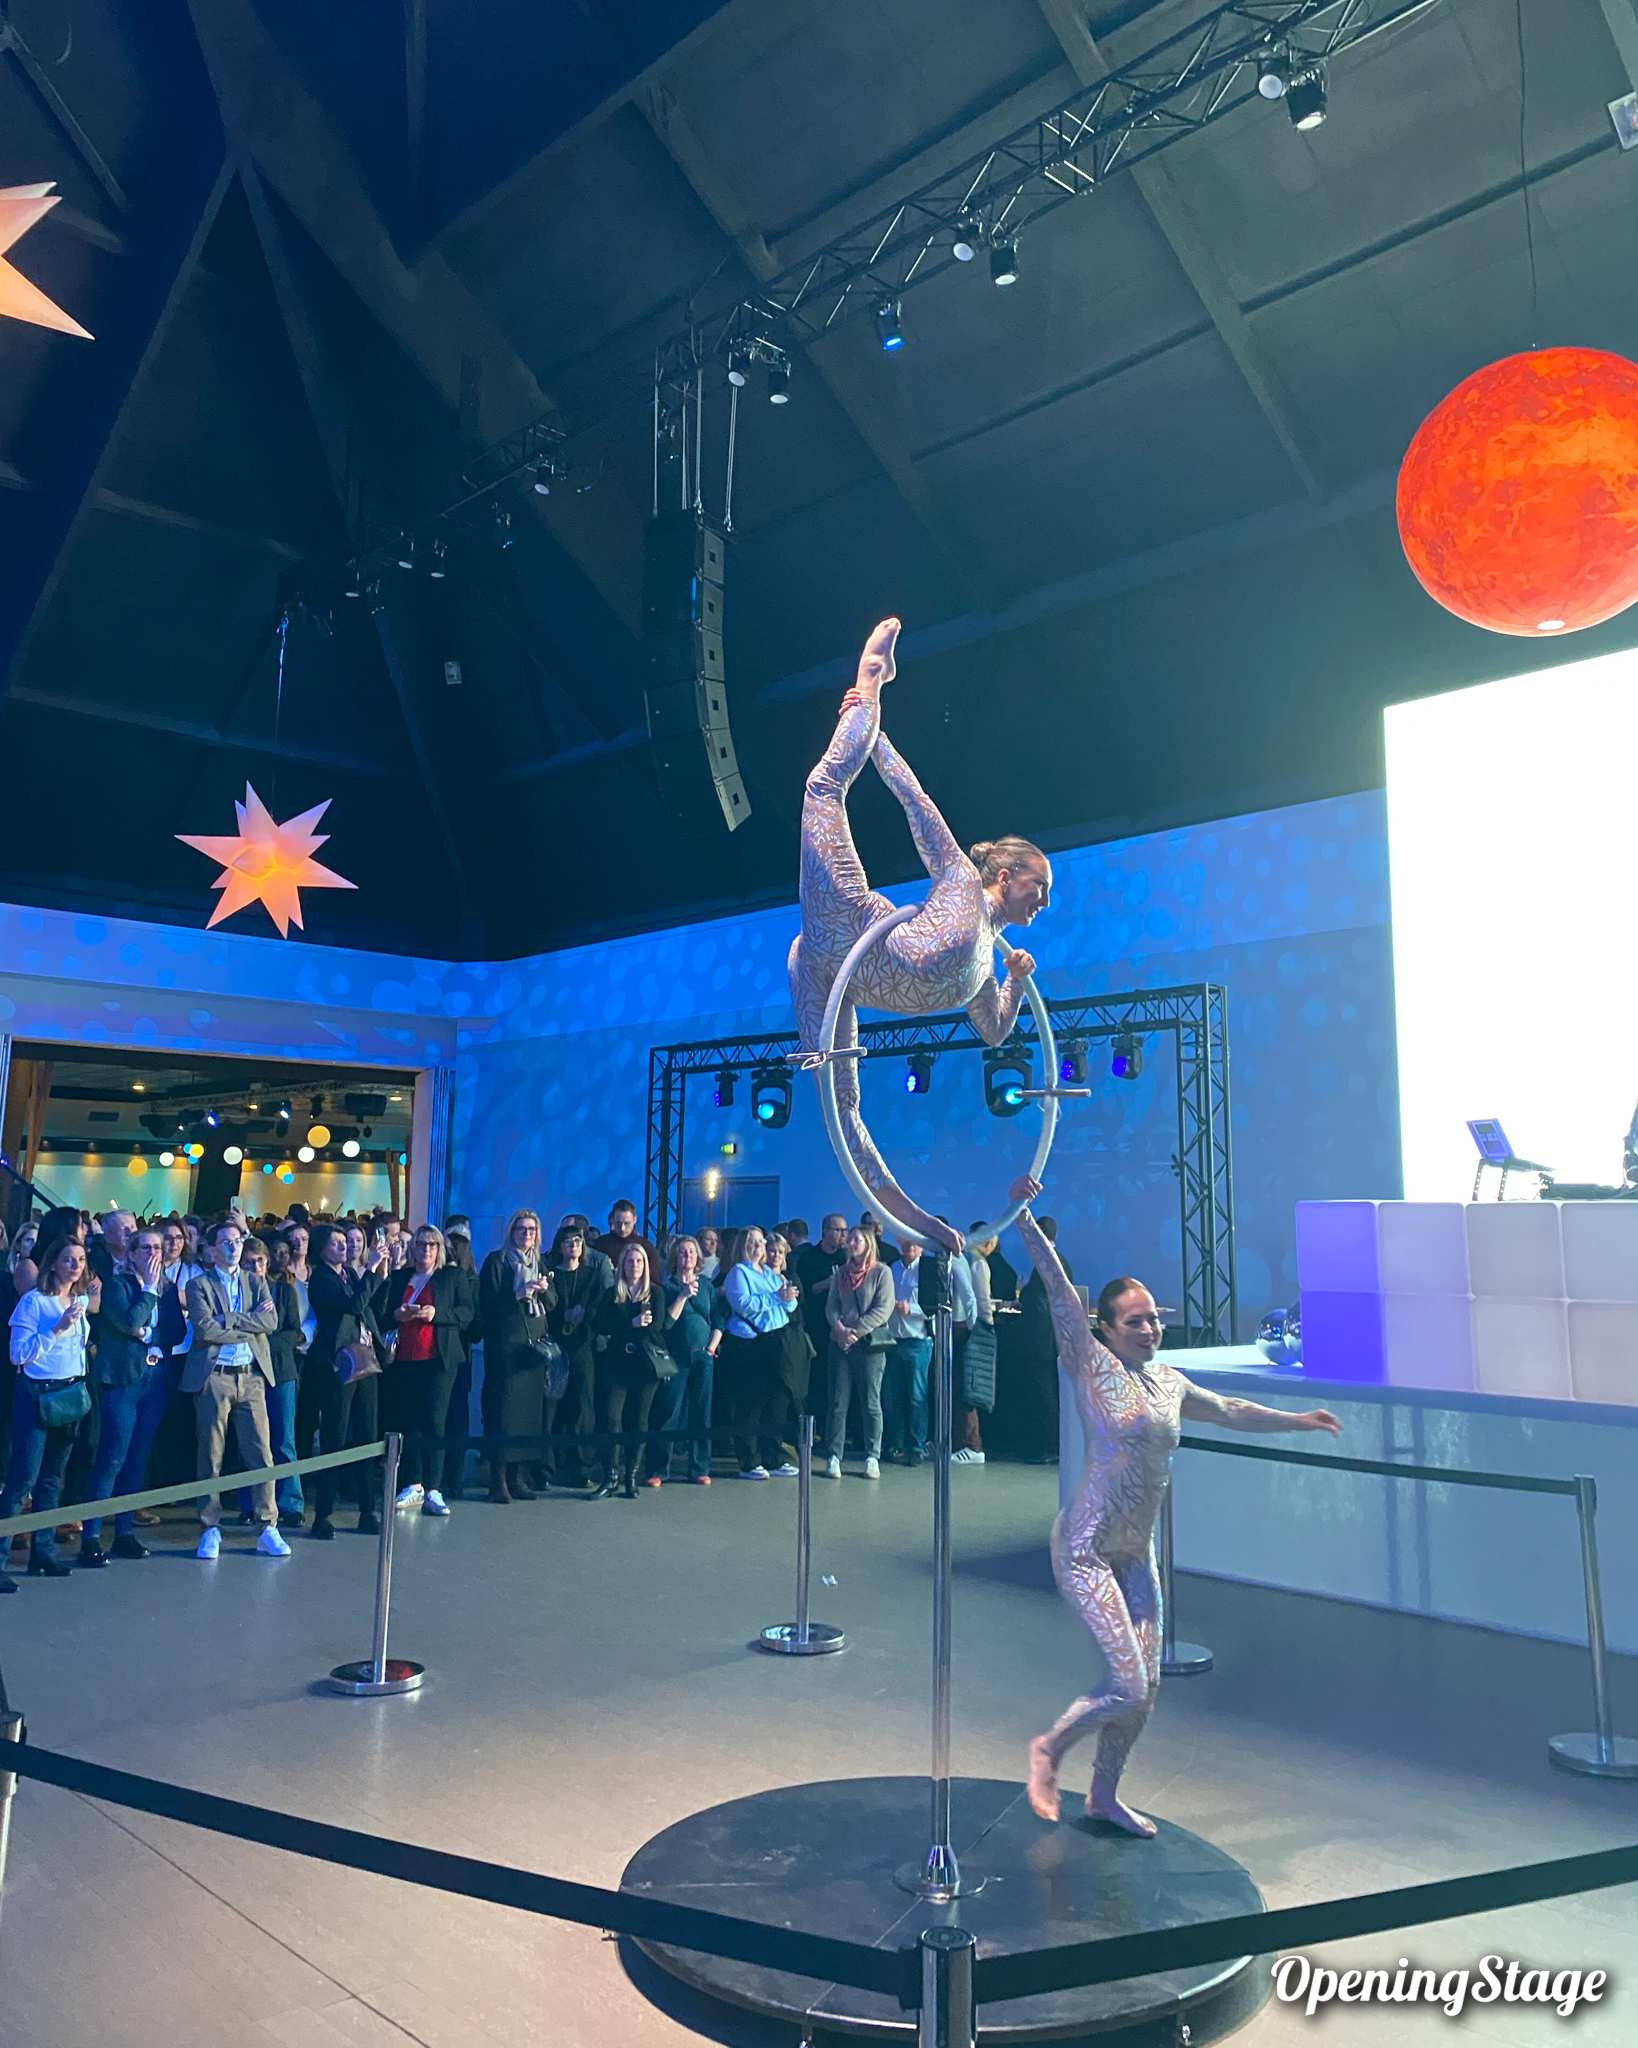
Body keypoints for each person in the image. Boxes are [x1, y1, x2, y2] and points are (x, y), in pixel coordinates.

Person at [1007, 1175, 1340, 1835]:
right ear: (1105, 1327)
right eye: (1135, 1321)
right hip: (1087, 1549)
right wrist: (1023, 1219)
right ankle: (1050, 1749)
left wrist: (1297, 1419)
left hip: (1137, 1554)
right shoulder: (1090, 1364)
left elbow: (1231, 1409)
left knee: (1146, 1690)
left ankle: (1103, 1796)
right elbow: (1055, 1291)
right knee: (1125, 1686)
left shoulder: (1167, 1380)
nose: (1150, 1329)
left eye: (1155, 1318)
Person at [789, 616, 1052, 1252]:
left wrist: (1015, 984)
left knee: (844, 1112)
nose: (1044, 902)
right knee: (822, 786)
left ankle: (917, 1221)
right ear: (1007, 873)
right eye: (1038, 886)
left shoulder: (987, 964)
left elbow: (993, 1031)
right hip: (849, 924)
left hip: (837, 984)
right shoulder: (961, 875)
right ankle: (869, 681)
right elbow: (913, 797)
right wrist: (872, 721)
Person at [183, 1220, 289, 1561]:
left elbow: (270, 1324)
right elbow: (205, 1329)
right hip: (215, 1375)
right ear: (212, 1249)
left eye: (238, 1240)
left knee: (261, 1452)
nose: (233, 1246)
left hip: (252, 1376)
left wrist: (228, 1319)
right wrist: (245, 1320)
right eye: (225, 1242)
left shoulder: (257, 1282)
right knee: (210, 1454)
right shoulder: (198, 1284)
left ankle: (266, 1525)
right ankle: (210, 1525)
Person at [1, 1232, 96, 1583]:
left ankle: (43, 1553)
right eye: (69, 1259)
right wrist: (57, 1329)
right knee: (21, 1480)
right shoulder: (34, 1302)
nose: (76, 1266)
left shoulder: (80, 1299)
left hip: (69, 1396)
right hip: (37, 1396)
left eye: (81, 1260)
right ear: (53, 1263)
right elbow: (18, 1354)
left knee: (52, 1481)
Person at [78, 1222, 167, 1565]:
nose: (153, 1254)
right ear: (131, 1254)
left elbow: (173, 1329)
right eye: (145, 1248)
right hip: (122, 1382)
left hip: (154, 1381)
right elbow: (131, 1320)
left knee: (137, 1459)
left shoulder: (168, 1287)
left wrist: (148, 1332)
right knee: (111, 1458)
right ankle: (90, 1536)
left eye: (157, 1248)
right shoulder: (118, 1285)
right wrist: (148, 1292)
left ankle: (124, 1533)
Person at [299, 1223, 385, 1539]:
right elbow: (353, 1306)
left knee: (368, 1432)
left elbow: (374, 1306)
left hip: (366, 1357)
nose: (343, 1247)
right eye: (335, 1243)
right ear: (321, 1249)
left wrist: (381, 1274)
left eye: (344, 1242)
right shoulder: (321, 1278)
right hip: (339, 1361)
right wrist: (372, 1269)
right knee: (335, 1435)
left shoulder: (349, 1275)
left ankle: (367, 1509)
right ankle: (323, 1513)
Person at [380, 1225, 471, 1516]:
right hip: (403, 1359)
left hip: (437, 1360)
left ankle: (434, 1488)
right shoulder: (399, 1278)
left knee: (434, 1421)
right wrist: (396, 1315)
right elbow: (382, 1313)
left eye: (432, 1245)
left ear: (440, 1249)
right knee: (408, 1422)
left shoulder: (452, 1276)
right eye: (421, 1245)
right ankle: (413, 1484)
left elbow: (467, 1312)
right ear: (413, 1248)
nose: (427, 1250)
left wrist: (437, 1314)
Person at [477, 1209, 557, 1503]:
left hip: (532, 1347)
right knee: (503, 1413)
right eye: (521, 1229)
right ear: (511, 1232)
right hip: (505, 1347)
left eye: (532, 1230)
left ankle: (518, 1476)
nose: (527, 1235)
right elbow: (487, 1304)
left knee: (528, 1414)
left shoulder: (540, 1262)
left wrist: (544, 1291)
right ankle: (498, 1479)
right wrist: (518, 1294)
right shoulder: (497, 1262)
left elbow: (553, 1303)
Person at [720, 1226, 796, 1479]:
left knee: (775, 1402)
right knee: (750, 1403)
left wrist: (786, 1295)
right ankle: (749, 1461)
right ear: (742, 1245)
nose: (757, 1246)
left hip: (775, 1341)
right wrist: (776, 1297)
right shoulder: (738, 1272)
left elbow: (791, 1304)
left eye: (760, 1242)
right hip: (748, 1343)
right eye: (751, 1242)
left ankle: (773, 1456)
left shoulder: (770, 1274)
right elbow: (744, 1304)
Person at [593, 1242, 667, 1497]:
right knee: (612, 1419)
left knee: (639, 1420)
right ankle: (610, 1475)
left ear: (645, 1266)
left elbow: (656, 1325)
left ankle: (631, 1476)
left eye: (639, 1261)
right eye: (630, 1261)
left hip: (645, 1366)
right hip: (616, 1363)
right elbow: (600, 1323)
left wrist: (628, 1326)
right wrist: (630, 1322)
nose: (634, 1266)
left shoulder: (655, 1293)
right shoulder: (612, 1294)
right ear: (622, 1264)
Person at [823, 1226, 895, 1479]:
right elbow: (831, 1306)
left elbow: (883, 1310)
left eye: (857, 1239)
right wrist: (840, 1329)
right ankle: (834, 1455)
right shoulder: (840, 1273)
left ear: (868, 1243)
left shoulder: (881, 1273)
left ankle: (872, 1456)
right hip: (840, 1345)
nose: (851, 1242)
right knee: (837, 1401)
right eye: (849, 1239)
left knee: (871, 1402)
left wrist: (854, 1332)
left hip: (869, 1347)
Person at [257, 1235, 307, 1523]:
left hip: (281, 1370)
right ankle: (254, 1501)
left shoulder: (285, 1291)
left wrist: (261, 1345)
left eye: (284, 1252)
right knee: (254, 1442)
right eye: (274, 1252)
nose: (281, 1256)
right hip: (251, 1372)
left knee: (284, 1440)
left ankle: (290, 1502)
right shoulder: (243, 1289)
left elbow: (293, 1332)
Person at [547, 1223, 601, 1490]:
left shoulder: (591, 1275)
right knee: (556, 1406)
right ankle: (553, 1465)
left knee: (583, 1404)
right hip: (557, 1345)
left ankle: (582, 1466)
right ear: (560, 1247)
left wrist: (582, 1316)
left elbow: (596, 1305)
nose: (574, 1247)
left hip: (582, 1347)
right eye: (568, 1243)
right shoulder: (551, 1275)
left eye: (578, 1243)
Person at [660, 1234, 716, 1485]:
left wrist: (712, 1347)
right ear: (675, 1257)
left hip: (703, 1356)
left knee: (701, 1413)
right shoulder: (666, 1288)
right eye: (683, 1252)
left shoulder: (706, 1285)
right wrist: (683, 1295)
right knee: (669, 1412)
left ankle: (700, 1468)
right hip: (676, 1358)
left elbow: (718, 1317)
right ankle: (659, 1468)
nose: (688, 1257)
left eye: (692, 1253)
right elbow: (667, 1323)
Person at [884, 1239, 932, 1465]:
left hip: (918, 1341)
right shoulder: (892, 1269)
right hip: (893, 1340)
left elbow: (936, 1306)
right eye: (906, 1242)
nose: (910, 1246)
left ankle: (916, 1447)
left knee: (916, 1397)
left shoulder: (929, 1270)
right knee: (892, 1397)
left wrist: (910, 1309)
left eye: (915, 1243)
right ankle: (895, 1445)